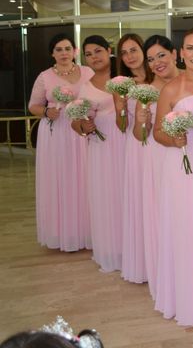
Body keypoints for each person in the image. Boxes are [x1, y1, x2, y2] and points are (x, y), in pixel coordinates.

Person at [152, 28, 193, 329]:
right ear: (181, 53)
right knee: (190, 229)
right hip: (185, 167)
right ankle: (192, 300)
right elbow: (157, 132)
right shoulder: (171, 89)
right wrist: (172, 139)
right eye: (190, 48)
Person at [28, 33, 93, 252]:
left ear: (74, 51)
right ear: (52, 53)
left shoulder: (87, 72)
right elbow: (33, 105)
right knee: (60, 179)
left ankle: (88, 230)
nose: (64, 53)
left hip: (83, 129)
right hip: (56, 133)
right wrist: (46, 111)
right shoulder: (45, 76)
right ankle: (62, 231)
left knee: (84, 178)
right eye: (58, 49)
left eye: (67, 48)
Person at [72, 35, 125, 272]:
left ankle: (135, 246)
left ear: (109, 50)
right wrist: (83, 126)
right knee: (107, 196)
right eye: (89, 54)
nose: (94, 57)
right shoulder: (85, 86)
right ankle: (113, 249)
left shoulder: (125, 77)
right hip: (102, 149)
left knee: (129, 193)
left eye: (98, 51)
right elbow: (76, 121)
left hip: (129, 143)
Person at [133, 35, 180, 300]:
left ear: (174, 53)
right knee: (166, 215)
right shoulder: (146, 92)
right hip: (159, 158)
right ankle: (167, 275)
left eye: (161, 55)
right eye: (151, 59)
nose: (156, 63)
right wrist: (142, 122)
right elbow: (139, 136)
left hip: (191, 154)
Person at [117, 33, 152, 284]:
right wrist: (120, 105)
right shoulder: (121, 85)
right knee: (142, 200)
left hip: (160, 144)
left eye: (133, 50)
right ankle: (143, 262)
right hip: (136, 145)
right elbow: (121, 126)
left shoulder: (159, 76)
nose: (130, 56)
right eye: (124, 52)